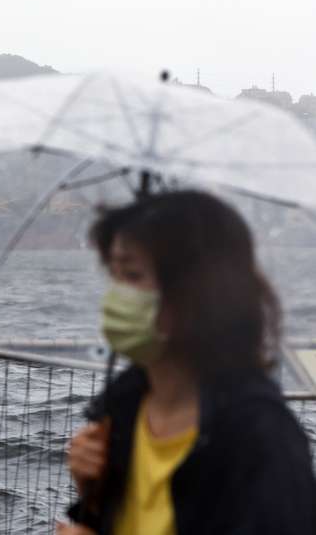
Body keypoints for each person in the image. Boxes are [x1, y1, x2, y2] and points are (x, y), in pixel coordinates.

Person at [57, 190, 316, 535]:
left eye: (132, 276)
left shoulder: (258, 439)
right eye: (114, 275)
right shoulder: (122, 409)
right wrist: (89, 489)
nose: (117, 296)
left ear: (194, 293)